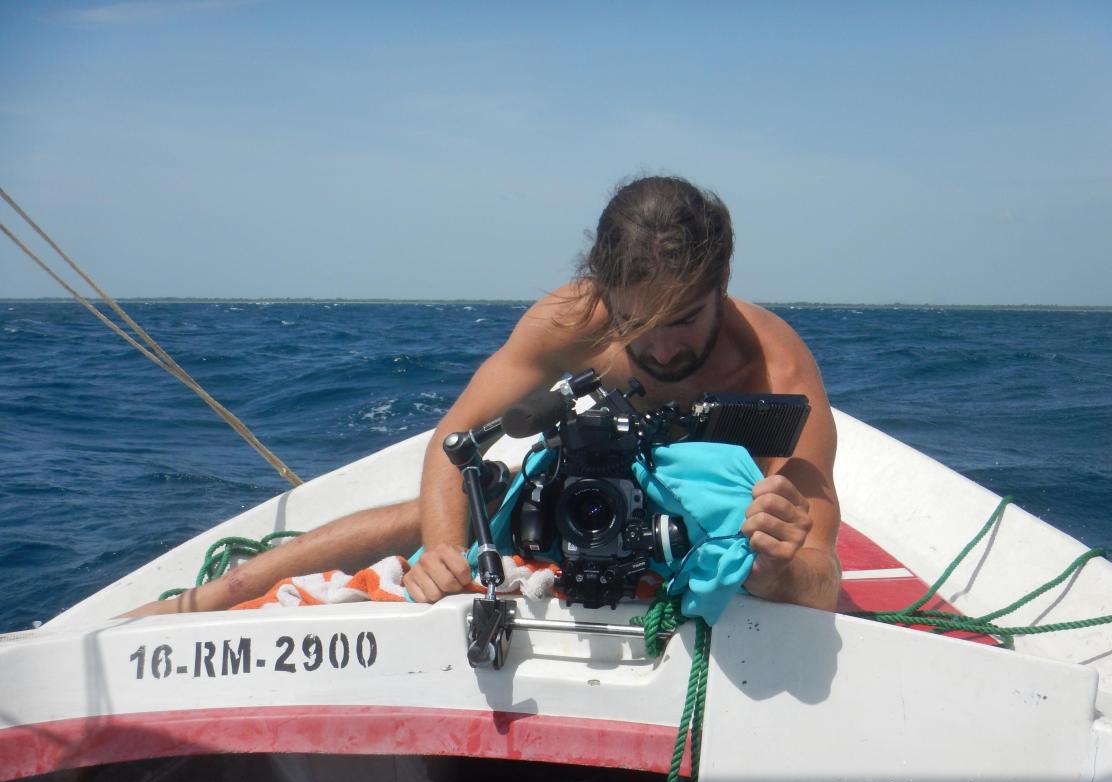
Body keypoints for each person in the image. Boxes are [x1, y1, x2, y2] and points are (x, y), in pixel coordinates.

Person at [124, 176, 840, 618]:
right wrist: (442, 548)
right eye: (635, 324)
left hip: (696, 525)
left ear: (722, 284)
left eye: (681, 320)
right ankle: (218, 593)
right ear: (603, 294)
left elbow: (821, 574)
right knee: (447, 509)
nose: (658, 349)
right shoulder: (574, 319)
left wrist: (778, 565)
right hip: (594, 486)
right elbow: (454, 439)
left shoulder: (775, 373)